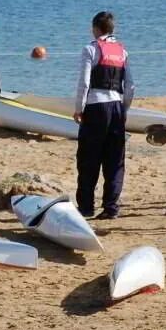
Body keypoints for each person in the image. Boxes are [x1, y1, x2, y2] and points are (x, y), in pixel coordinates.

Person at [72, 11, 134, 220]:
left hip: (96, 106)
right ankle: (111, 207)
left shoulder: (90, 48)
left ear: (95, 28)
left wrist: (79, 108)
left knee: (88, 157)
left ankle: (86, 207)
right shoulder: (122, 51)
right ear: (112, 29)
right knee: (114, 158)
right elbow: (131, 85)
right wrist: (124, 109)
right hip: (116, 105)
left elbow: (85, 82)